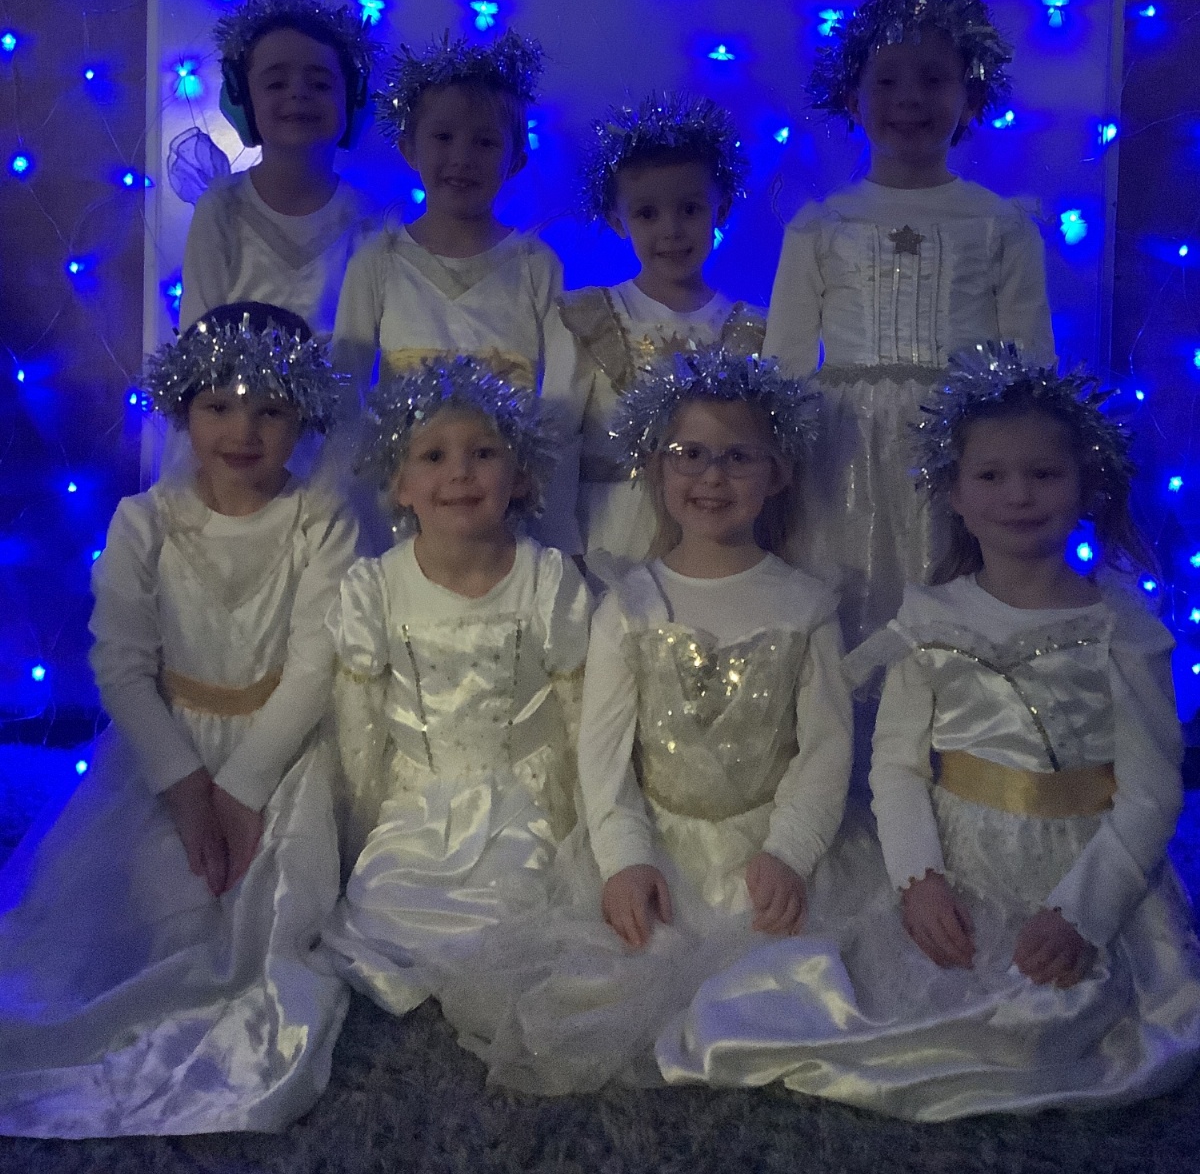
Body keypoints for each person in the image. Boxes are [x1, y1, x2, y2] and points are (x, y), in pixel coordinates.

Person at [659, 342, 1200, 1117]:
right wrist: (918, 879)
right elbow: (897, 766)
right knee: (865, 1001)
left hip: (1079, 863)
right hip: (960, 862)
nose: (1018, 495)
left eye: (1044, 474)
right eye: (992, 476)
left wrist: (1085, 910)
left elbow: (1151, 792)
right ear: (955, 493)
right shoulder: (928, 618)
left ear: (1086, 485)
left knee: (1053, 1025)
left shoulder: (1122, 627)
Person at [436, 349, 867, 1094]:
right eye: (689, 455)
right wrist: (626, 860)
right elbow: (603, 757)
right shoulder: (629, 604)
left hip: (767, 844)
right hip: (659, 844)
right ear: (656, 468)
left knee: (797, 984)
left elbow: (828, 750)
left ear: (778, 473)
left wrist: (791, 852)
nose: (712, 477)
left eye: (738, 457)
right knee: (606, 980)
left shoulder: (806, 606)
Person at [0, 303, 358, 1136]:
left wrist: (243, 788)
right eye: (219, 406)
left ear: (303, 415)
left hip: (280, 750)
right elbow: (121, 664)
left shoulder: (320, 519)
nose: (244, 431)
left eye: (271, 409)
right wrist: (188, 788)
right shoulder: (145, 523)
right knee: (155, 912)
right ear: (183, 410)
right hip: (170, 751)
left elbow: (317, 663)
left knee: (268, 921)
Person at [764, 0, 1055, 649]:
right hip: (842, 454)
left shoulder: (1000, 224)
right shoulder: (822, 225)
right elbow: (783, 364)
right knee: (842, 598)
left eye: (933, 79)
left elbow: (1030, 362)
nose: (910, 98)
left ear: (970, 97)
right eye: (887, 81)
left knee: (954, 602)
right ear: (853, 98)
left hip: (961, 451)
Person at [321, 356, 591, 1018]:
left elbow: (579, 711)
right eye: (433, 456)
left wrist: (582, 823)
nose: (460, 473)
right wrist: (354, 831)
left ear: (520, 474)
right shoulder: (375, 588)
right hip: (418, 801)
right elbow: (358, 727)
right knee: (384, 906)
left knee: (521, 912)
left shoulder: (548, 580)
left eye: (483, 453)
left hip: (523, 799)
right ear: (399, 485)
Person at [331, 31, 578, 548]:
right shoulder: (378, 261)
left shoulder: (537, 267)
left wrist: (546, 508)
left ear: (515, 158)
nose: (462, 157)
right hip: (405, 513)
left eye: (485, 142)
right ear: (409, 148)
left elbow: (559, 400)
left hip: (505, 513)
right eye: (443, 137)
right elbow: (346, 389)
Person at [544, 90, 764, 569]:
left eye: (690, 209)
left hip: (716, 540)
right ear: (617, 220)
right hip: (609, 539)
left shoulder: (752, 331)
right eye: (647, 213)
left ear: (721, 210)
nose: (671, 230)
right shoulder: (589, 317)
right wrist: (563, 551)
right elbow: (557, 443)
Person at [180, 0, 380, 341]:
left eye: (320, 84)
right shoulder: (221, 208)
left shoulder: (367, 220)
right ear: (243, 102)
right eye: (275, 83)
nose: (298, 93)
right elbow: (196, 338)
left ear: (351, 101)